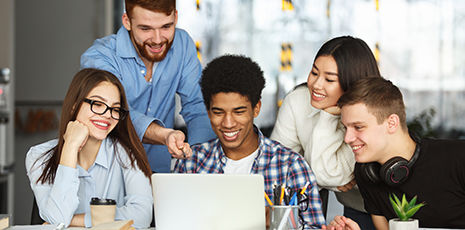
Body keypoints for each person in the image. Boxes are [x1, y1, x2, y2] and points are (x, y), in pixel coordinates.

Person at [174, 54, 326, 229]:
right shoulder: (191, 163)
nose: (228, 123)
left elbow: (315, 227)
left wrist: (276, 226)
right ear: (208, 112)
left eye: (238, 112)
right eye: (218, 112)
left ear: (256, 109)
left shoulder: (290, 166)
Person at [80, 0, 216, 173]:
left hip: (158, 173)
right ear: (127, 21)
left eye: (166, 26)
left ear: (175, 17)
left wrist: (199, 160)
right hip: (107, 174)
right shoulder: (100, 57)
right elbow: (112, 113)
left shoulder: (182, 45)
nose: (158, 40)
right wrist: (164, 135)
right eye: (146, 29)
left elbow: (197, 107)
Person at [270, 36, 380, 229]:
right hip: (343, 205)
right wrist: (326, 181)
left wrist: (328, 116)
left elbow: (332, 174)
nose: (316, 85)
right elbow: (280, 168)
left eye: (329, 79)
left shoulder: (370, 112)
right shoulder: (297, 101)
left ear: (351, 84)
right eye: (314, 72)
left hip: (377, 208)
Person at [26, 68, 153, 228]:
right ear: (74, 106)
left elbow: (142, 216)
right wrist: (70, 147)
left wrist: (73, 221)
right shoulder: (39, 155)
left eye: (115, 108)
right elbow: (57, 215)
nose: (108, 115)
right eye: (98, 104)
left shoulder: (127, 153)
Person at [335, 76, 465, 229]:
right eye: (345, 127)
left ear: (391, 123)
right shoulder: (366, 173)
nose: (347, 138)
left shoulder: (459, 157)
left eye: (358, 127)